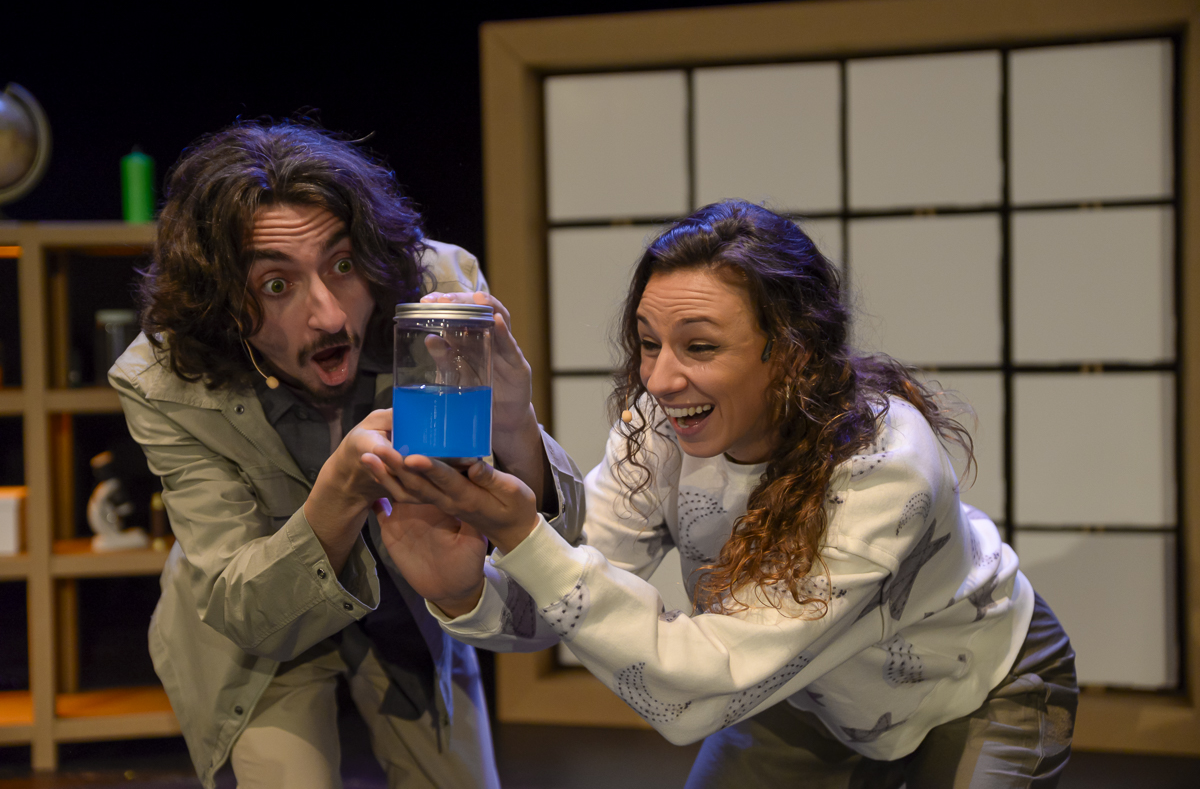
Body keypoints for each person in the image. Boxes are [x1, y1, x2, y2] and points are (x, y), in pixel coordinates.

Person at [365, 201, 1079, 787]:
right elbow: (568, 593)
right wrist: (463, 589)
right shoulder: (660, 427)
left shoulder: (883, 468)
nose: (660, 379)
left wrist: (524, 537)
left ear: (792, 350)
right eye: (649, 343)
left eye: (699, 346)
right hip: (801, 691)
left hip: (972, 685)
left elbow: (699, 686)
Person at [109, 120, 584, 789]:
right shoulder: (165, 377)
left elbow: (557, 563)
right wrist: (338, 494)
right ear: (221, 302)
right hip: (265, 617)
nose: (330, 316)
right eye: (277, 285)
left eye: (342, 264)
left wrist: (515, 427)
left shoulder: (436, 292)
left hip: (412, 595)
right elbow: (245, 608)